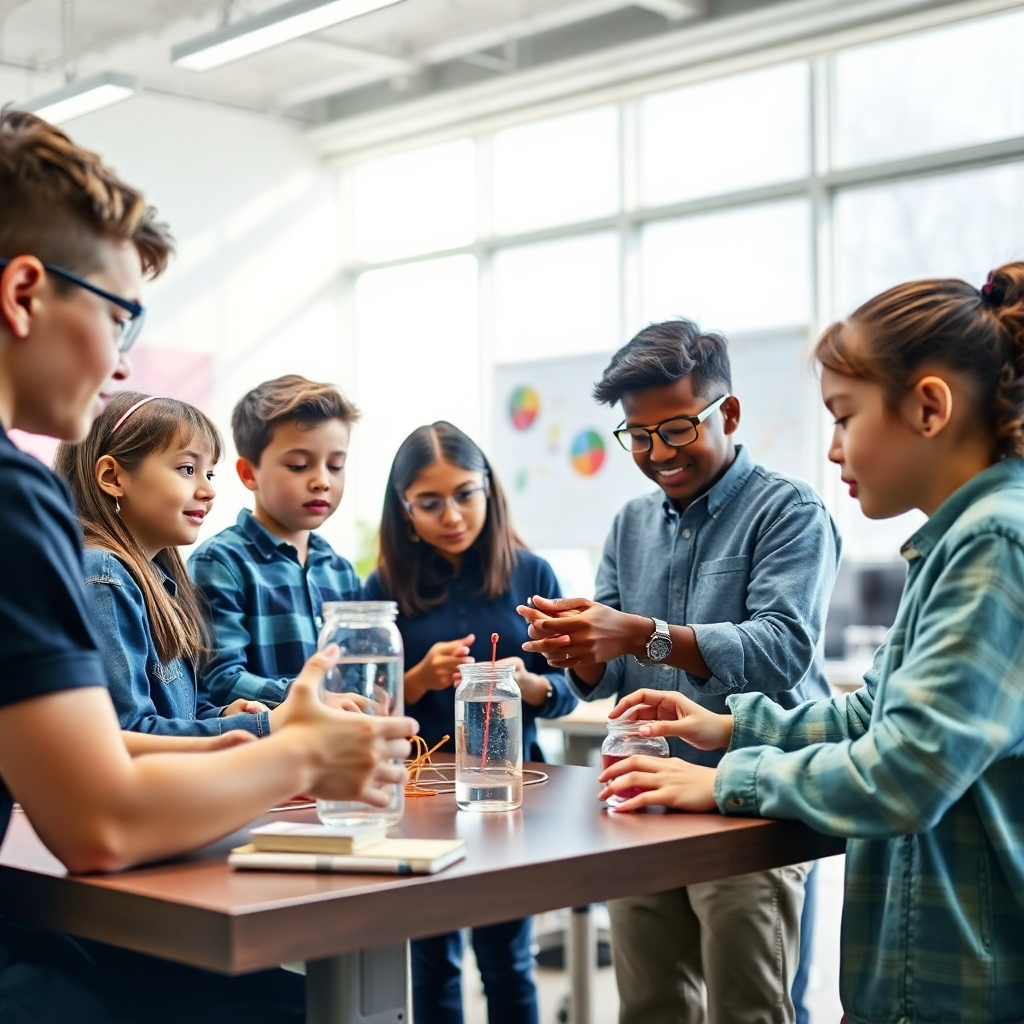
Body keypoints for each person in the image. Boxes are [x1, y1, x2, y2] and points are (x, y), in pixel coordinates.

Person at [0, 108, 415, 1024]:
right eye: (119, 318)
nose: (120, 363)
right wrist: (300, 751)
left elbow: (80, 751)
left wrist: (249, 739)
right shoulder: (17, 502)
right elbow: (101, 826)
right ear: (25, 293)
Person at [598, 265, 1024, 1024]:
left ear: (929, 408)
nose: (832, 450)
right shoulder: (955, 544)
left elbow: (907, 769)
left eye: (843, 417)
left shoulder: (994, 542)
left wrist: (726, 780)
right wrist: (728, 728)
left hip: (958, 989)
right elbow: (870, 717)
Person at [520, 320, 840, 1024]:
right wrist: (575, 647)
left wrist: (642, 633)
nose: (659, 453)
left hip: (749, 801)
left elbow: (782, 648)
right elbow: (607, 677)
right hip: (644, 797)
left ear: (729, 413)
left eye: (676, 429)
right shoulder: (631, 523)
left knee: (748, 1010)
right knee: (650, 1008)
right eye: (638, 436)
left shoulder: (789, 511)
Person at [363, 421, 577, 1024]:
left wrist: (529, 685)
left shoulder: (533, 575)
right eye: (430, 503)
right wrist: (416, 679)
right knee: (432, 964)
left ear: (489, 487)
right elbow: (362, 705)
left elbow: (569, 692)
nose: (452, 516)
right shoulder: (384, 587)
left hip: (511, 795)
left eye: (464, 494)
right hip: (421, 798)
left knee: (508, 960)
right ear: (404, 509)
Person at [54, 392, 276, 736]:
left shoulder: (157, 578)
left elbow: (177, 714)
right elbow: (131, 732)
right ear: (112, 477)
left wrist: (225, 716)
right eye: (188, 469)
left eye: (209, 474)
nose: (208, 491)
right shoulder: (104, 575)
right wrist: (267, 726)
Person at [190, 375, 361, 707]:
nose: (322, 481)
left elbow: (355, 673)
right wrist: (314, 699)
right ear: (249, 474)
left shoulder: (341, 572)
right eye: (299, 465)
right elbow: (221, 679)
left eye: (335, 465)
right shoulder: (220, 563)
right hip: (265, 737)